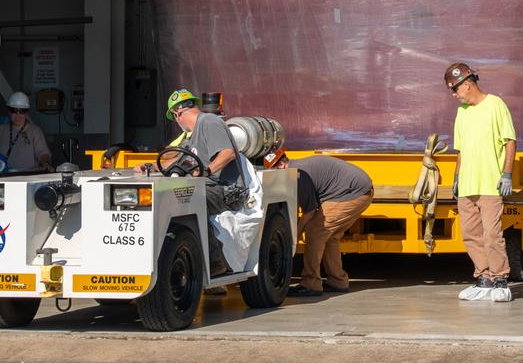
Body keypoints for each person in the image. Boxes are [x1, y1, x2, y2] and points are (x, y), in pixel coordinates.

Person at [136, 89, 241, 274]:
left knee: (190, 199)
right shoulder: (192, 136)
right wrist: (150, 166)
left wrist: (206, 170)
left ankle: (214, 262)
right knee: (179, 197)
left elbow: (228, 153)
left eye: (174, 117)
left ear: (177, 113)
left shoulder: (209, 121)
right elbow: (176, 160)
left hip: (224, 189)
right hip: (207, 186)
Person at [445, 62, 517, 303]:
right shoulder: (462, 113)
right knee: (470, 234)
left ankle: (500, 280)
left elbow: (509, 141)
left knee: (492, 234)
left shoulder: (495, 105)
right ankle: (484, 278)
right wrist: (457, 177)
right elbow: (461, 149)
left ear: (467, 84)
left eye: (455, 90)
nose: (454, 95)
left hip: (489, 184)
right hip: (468, 185)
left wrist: (506, 173)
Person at [264, 145, 372, 297]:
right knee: (330, 237)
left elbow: (309, 212)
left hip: (353, 193)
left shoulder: (298, 176)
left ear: (281, 165)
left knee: (315, 232)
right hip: (356, 191)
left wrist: (295, 233)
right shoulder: (295, 169)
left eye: (271, 171)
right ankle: (337, 281)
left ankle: (310, 284)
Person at [0, 92, 53, 172]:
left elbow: (43, 154)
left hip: (28, 178)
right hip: (4, 177)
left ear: (26, 113)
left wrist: (46, 164)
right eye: (14, 111)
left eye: (22, 111)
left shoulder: (35, 131)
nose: (18, 115)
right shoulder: (1, 130)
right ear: (9, 111)